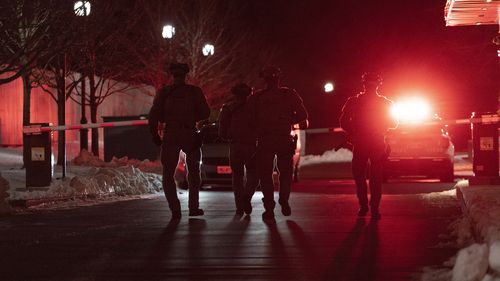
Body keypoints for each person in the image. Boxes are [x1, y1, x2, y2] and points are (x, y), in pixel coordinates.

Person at [149, 63, 210, 220]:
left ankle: (175, 209)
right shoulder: (194, 91)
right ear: (185, 75)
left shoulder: (164, 92)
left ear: (172, 75)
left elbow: (153, 115)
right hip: (189, 132)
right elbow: (206, 112)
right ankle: (193, 207)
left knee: (168, 173)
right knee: (194, 172)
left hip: (171, 133)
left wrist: (155, 135)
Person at [249, 66, 308, 220]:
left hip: (265, 139)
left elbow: (250, 119)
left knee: (265, 175)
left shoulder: (258, 97)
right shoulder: (289, 94)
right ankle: (284, 200)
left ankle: (269, 207)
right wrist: (287, 121)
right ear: (278, 79)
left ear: (265, 79)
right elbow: (303, 115)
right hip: (283, 138)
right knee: (286, 174)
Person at [339, 72, 398, 219]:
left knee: (360, 175)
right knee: (375, 177)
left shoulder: (354, 101)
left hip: (362, 142)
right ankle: (374, 208)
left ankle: (364, 206)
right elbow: (394, 123)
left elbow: (343, 121)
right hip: (375, 142)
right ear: (378, 85)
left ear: (364, 84)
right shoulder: (385, 103)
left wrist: (353, 132)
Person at [218, 83, 259, 216]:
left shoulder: (228, 109)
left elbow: (222, 133)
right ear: (249, 93)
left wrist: (231, 135)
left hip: (235, 146)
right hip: (252, 146)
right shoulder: (256, 108)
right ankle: (247, 196)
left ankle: (239, 207)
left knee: (237, 177)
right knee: (254, 174)